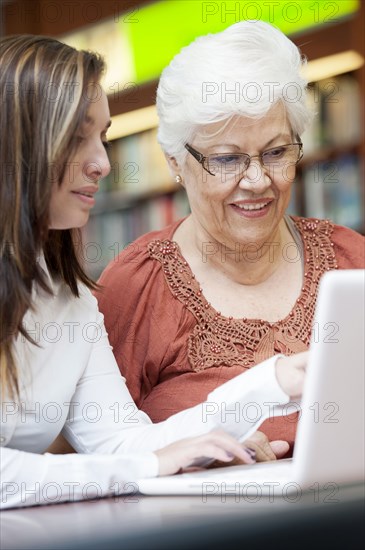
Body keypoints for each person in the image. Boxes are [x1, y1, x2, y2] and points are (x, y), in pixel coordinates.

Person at [0, 34, 306, 510]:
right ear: (19, 144)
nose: (102, 163)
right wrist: (146, 466)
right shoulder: (128, 285)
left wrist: (275, 382)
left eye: (102, 137)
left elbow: (123, 443)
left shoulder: (71, 300)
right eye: (78, 137)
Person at [95, 20, 365, 456]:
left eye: (276, 152)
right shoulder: (135, 289)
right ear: (175, 163)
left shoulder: (352, 259)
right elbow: (96, 462)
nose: (257, 180)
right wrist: (194, 461)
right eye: (226, 159)